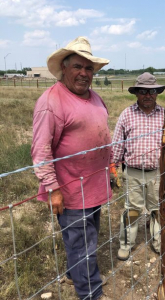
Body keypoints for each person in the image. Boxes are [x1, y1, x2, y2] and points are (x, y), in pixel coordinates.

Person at [31, 37, 112, 300]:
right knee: (83, 245)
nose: (84, 73)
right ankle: (90, 293)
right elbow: (41, 150)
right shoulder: (51, 101)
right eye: (78, 66)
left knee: (87, 239)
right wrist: (53, 189)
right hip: (70, 190)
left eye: (89, 69)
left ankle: (73, 272)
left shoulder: (95, 97)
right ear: (64, 68)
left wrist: (109, 167)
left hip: (95, 184)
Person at [111, 72, 165, 261]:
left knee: (157, 209)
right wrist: (113, 166)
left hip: (158, 173)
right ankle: (126, 245)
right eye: (143, 91)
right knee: (132, 210)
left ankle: (159, 243)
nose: (147, 95)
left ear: (157, 93)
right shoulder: (127, 114)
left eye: (151, 91)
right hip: (133, 172)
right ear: (137, 93)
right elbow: (118, 143)